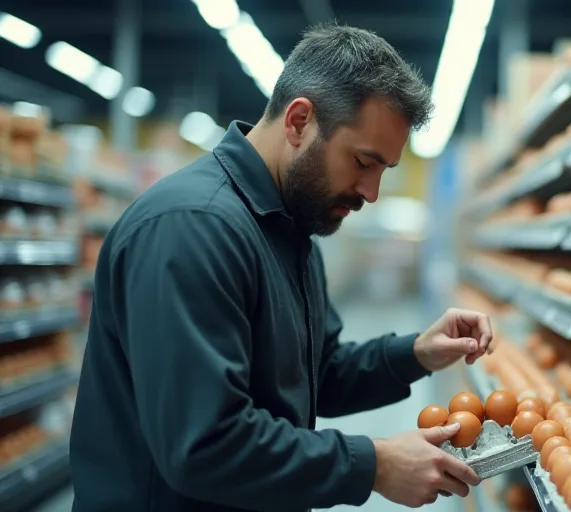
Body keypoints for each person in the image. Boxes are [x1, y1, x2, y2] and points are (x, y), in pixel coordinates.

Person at [70, 23, 493, 512]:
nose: (371, 192)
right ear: (298, 121)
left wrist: (416, 353)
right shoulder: (191, 229)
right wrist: (372, 465)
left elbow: (316, 376)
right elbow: (205, 444)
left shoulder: (290, 226)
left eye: (383, 171)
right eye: (362, 161)